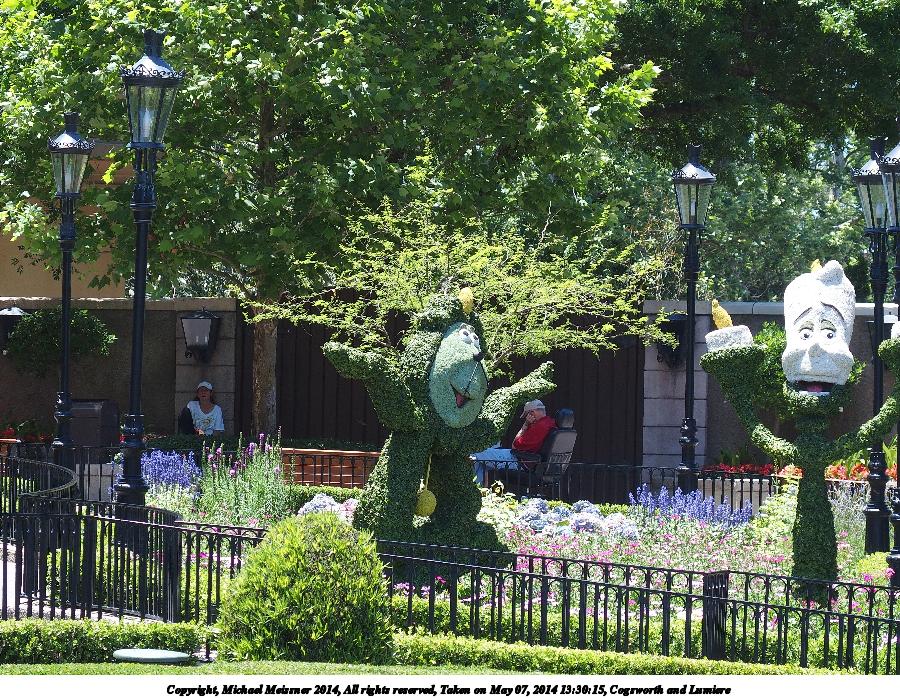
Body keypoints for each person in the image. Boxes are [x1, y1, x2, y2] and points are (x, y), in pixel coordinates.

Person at [472, 399, 556, 484]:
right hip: (526, 460)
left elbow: (514, 446)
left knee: (475, 453)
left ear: (532, 413)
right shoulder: (550, 423)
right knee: (483, 459)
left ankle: (471, 487)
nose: (526, 418)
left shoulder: (539, 427)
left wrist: (526, 424)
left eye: (526, 415)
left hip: (518, 462)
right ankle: (478, 487)